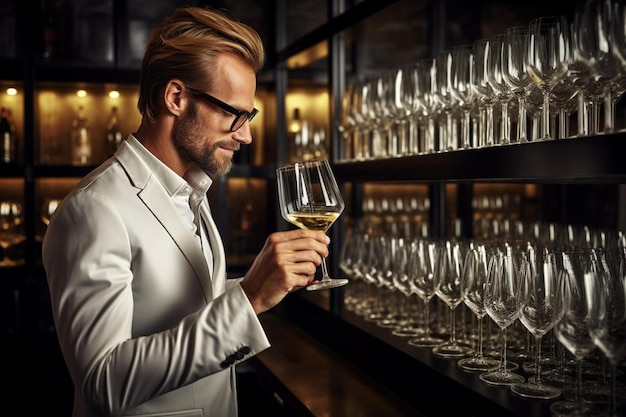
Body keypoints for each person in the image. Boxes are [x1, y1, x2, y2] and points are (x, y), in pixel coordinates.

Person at [42, 6, 330, 417]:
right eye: (233, 114)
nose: (246, 134)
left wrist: (261, 285)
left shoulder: (190, 187)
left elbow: (174, 306)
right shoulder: (93, 210)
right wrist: (248, 299)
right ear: (176, 97)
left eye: (249, 115)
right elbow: (102, 381)